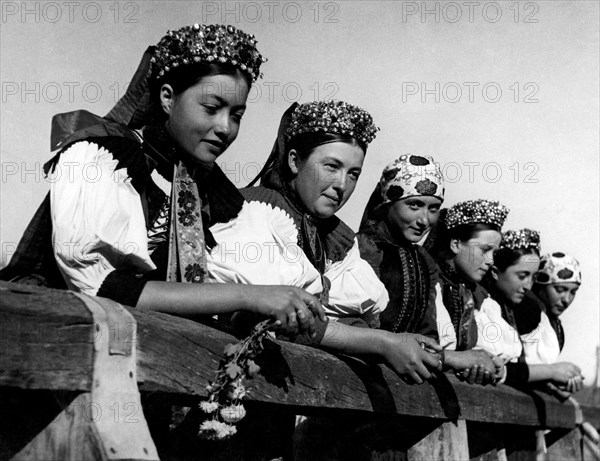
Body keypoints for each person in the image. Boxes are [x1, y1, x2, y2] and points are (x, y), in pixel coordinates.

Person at [0, 24, 326, 338]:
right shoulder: (102, 154)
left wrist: (374, 340)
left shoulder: (202, 181)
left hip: (146, 340)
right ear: (168, 98)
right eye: (212, 108)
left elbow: (266, 285)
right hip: (46, 332)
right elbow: (100, 286)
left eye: (236, 115)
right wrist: (249, 297)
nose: (226, 127)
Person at [207, 101, 443, 383]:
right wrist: (379, 342)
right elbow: (278, 322)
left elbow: (357, 319)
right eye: (331, 166)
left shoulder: (339, 239)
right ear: (295, 161)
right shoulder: (252, 212)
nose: (342, 184)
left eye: (353, 173)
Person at [357, 156, 496, 385]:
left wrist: (439, 356)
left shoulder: (424, 260)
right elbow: (357, 325)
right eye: (414, 205)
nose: (424, 220)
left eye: (433, 209)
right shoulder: (364, 249)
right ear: (388, 203)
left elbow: (428, 333)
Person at [483, 229, 583, 392]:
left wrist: (548, 384)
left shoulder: (552, 327)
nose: (566, 299)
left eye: (573, 291)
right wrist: (551, 372)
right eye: (560, 289)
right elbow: (504, 369)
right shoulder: (517, 310)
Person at [431, 199, 515, 383]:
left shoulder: (468, 292)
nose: (491, 260)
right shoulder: (429, 282)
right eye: (485, 250)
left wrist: (486, 363)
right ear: (455, 244)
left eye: (494, 252)